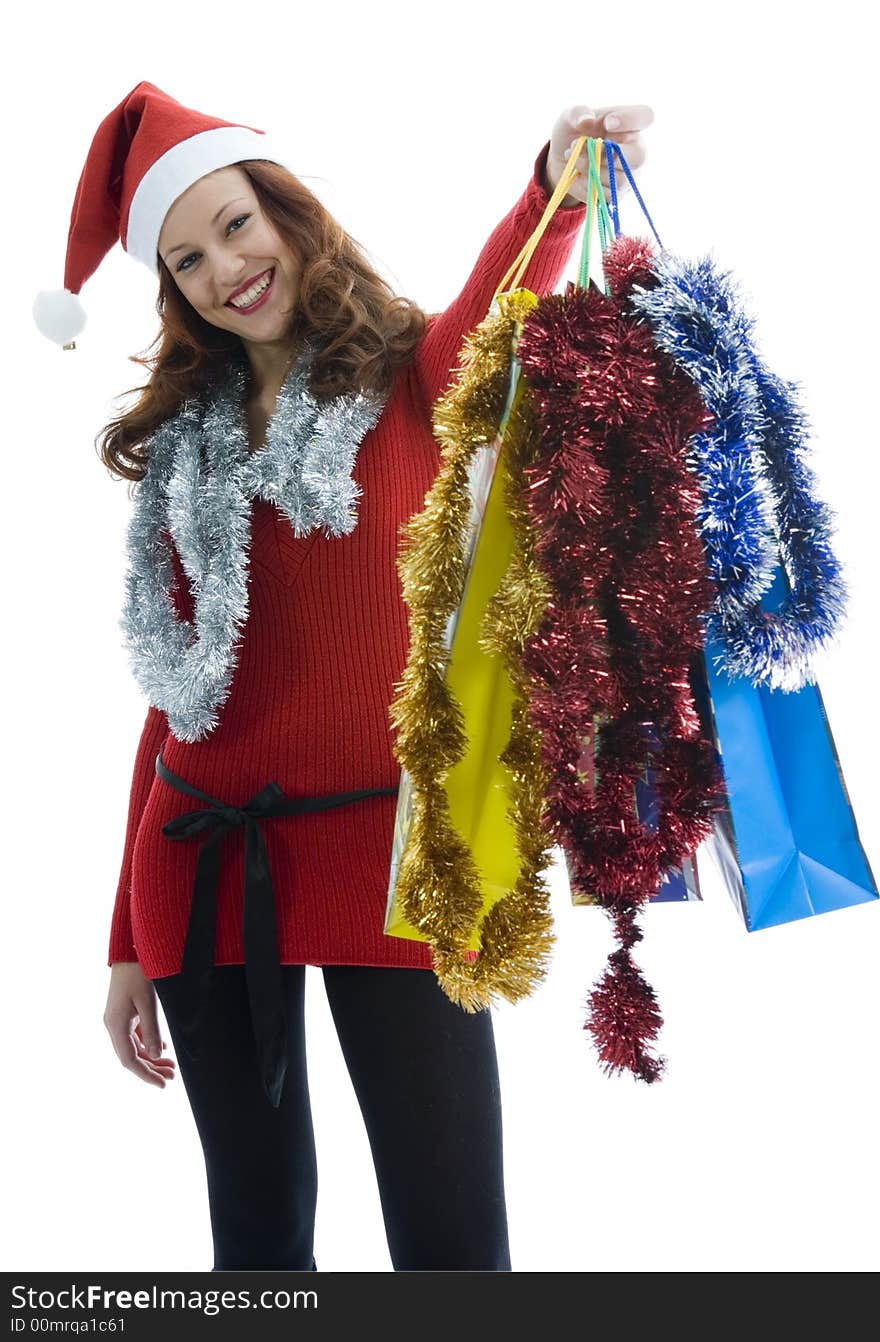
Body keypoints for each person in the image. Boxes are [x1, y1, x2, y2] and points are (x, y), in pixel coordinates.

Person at [34, 81, 650, 1272]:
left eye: (234, 224)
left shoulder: (410, 373)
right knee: (258, 1252)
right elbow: (176, 697)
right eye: (189, 258)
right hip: (204, 862)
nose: (226, 266)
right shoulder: (185, 451)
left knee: (454, 1245)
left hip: (395, 858)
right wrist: (123, 937)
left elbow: (504, 293)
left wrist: (553, 177)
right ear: (177, 292)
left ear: (286, 213)